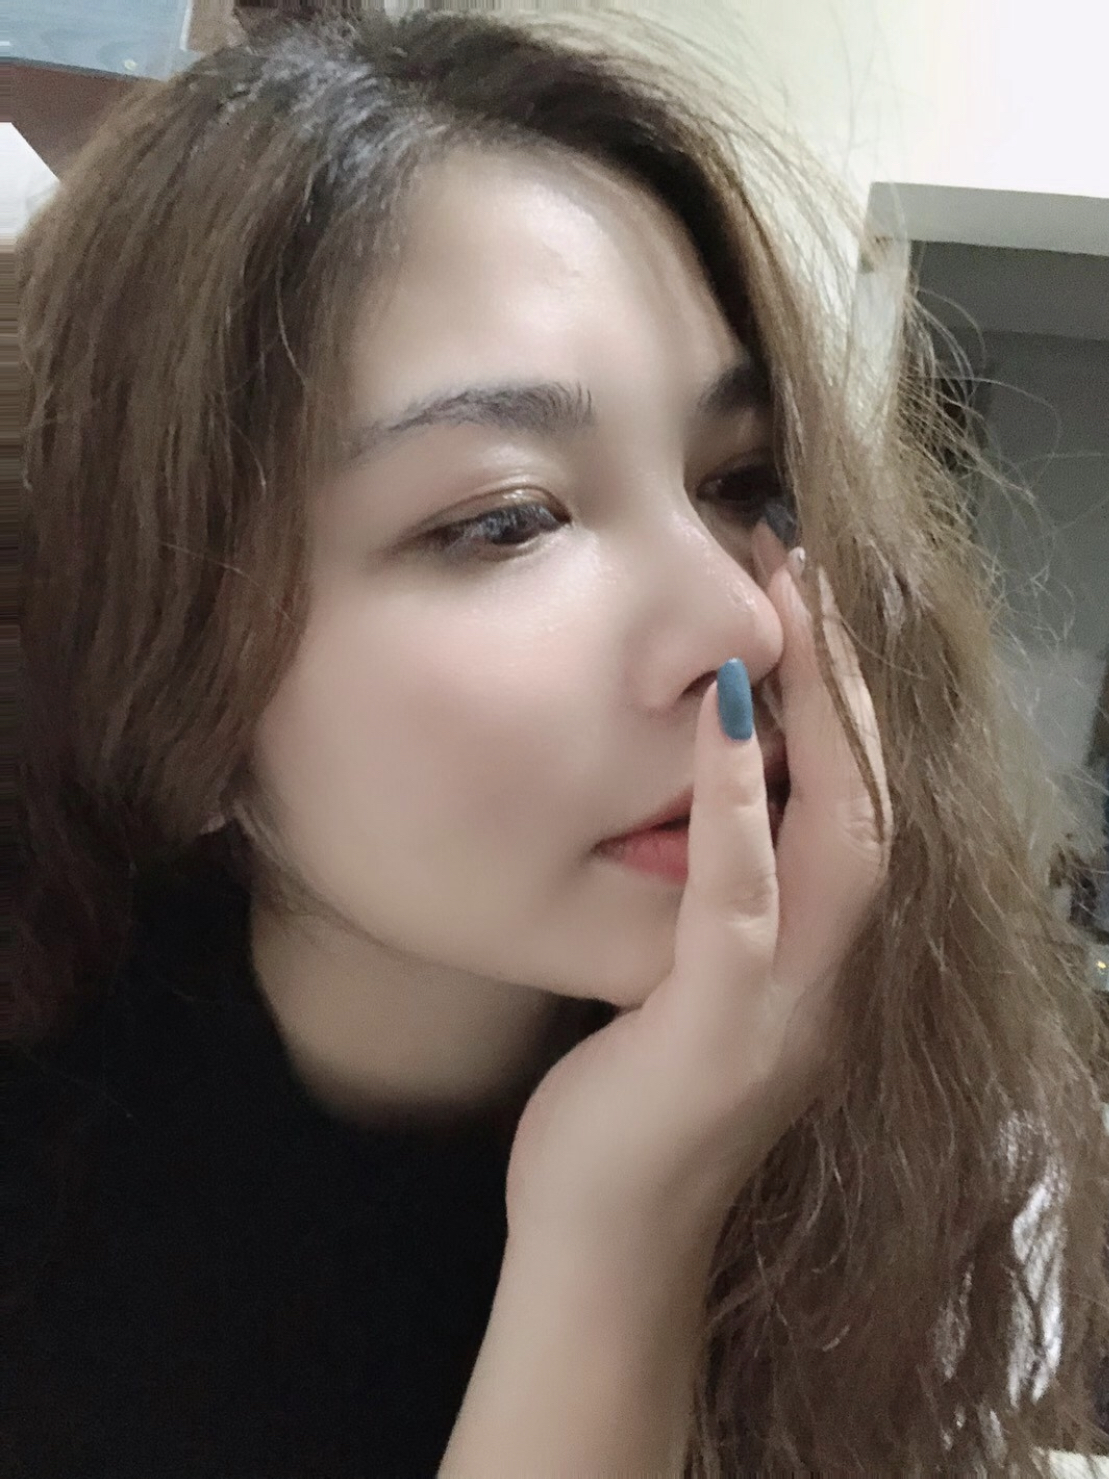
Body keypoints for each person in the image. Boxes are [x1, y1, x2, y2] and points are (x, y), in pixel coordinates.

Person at [10, 8, 1109, 1475]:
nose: (742, 622)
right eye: (505, 520)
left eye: (740, 482)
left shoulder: (916, 1148)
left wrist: (634, 1208)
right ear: (156, 660)